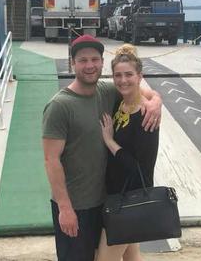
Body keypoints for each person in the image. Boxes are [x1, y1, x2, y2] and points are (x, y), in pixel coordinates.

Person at [42, 35, 162, 261]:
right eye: (83, 60)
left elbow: (137, 89)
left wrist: (157, 100)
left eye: (95, 59)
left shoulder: (106, 93)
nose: (90, 66)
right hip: (76, 206)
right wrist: (65, 208)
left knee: (126, 254)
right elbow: (51, 160)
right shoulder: (60, 106)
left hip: (108, 200)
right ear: (72, 63)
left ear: (101, 63)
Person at [96, 44, 160, 261]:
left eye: (129, 75)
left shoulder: (146, 115)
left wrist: (109, 141)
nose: (123, 80)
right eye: (118, 75)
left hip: (130, 200)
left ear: (139, 76)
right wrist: (156, 98)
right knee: (132, 256)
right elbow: (147, 92)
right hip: (115, 194)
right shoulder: (120, 103)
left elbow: (140, 169)